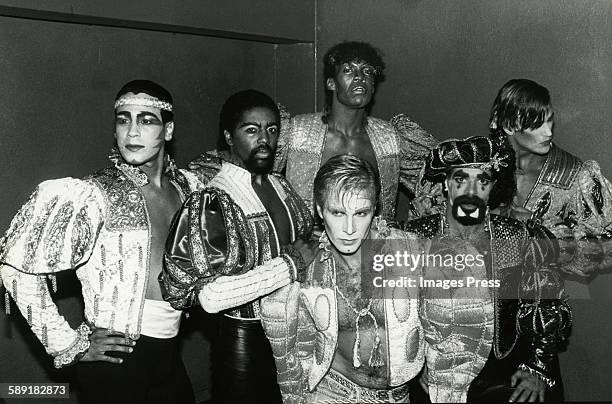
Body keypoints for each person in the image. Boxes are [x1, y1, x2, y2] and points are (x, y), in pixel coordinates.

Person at [0, 80, 202, 404]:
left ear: (168, 130)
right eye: (123, 120)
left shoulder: (188, 190)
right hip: (115, 362)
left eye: (146, 120)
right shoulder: (94, 194)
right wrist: (68, 344)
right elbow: (15, 269)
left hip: (169, 352)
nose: (132, 132)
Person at [161, 89, 316, 404]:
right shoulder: (213, 200)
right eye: (252, 130)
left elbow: (308, 245)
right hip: (246, 341)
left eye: (272, 130)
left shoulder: (282, 186)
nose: (264, 139)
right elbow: (212, 297)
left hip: (297, 330)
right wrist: (290, 265)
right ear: (229, 137)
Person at [403, 136, 571, 403]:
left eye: (482, 181)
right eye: (461, 180)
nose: (471, 191)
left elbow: (547, 304)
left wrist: (536, 367)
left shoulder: (514, 236)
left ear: (492, 188)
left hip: (500, 368)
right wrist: (416, 363)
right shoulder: (415, 236)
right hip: (433, 364)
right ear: (446, 184)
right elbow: (399, 310)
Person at [191, 41, 438, 221]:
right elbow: (236, 167)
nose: (360, 78)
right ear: (331, 83)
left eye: (367, 72)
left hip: (372, 259)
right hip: (310, 261)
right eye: (349, 70)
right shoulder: (297, 131)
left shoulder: (391, 138)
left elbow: (445, 173)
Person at [259, 154, 425, 403]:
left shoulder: (410, 252)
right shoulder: (307, 270)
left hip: (397, 396)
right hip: (333, 391)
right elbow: (292, 353)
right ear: (319, 210)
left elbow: (444, 329)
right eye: (337, 213)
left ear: (375, 209)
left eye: (360, 213)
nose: (349, 229)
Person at [488, 78, 612, 287]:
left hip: (538, 309)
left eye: (549, 120)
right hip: (476, 303)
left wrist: (542, 231)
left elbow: (607, 249)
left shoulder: (574, 175)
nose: (548, 132)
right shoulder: (476, 164)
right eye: (537, 125)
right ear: (509, 126)